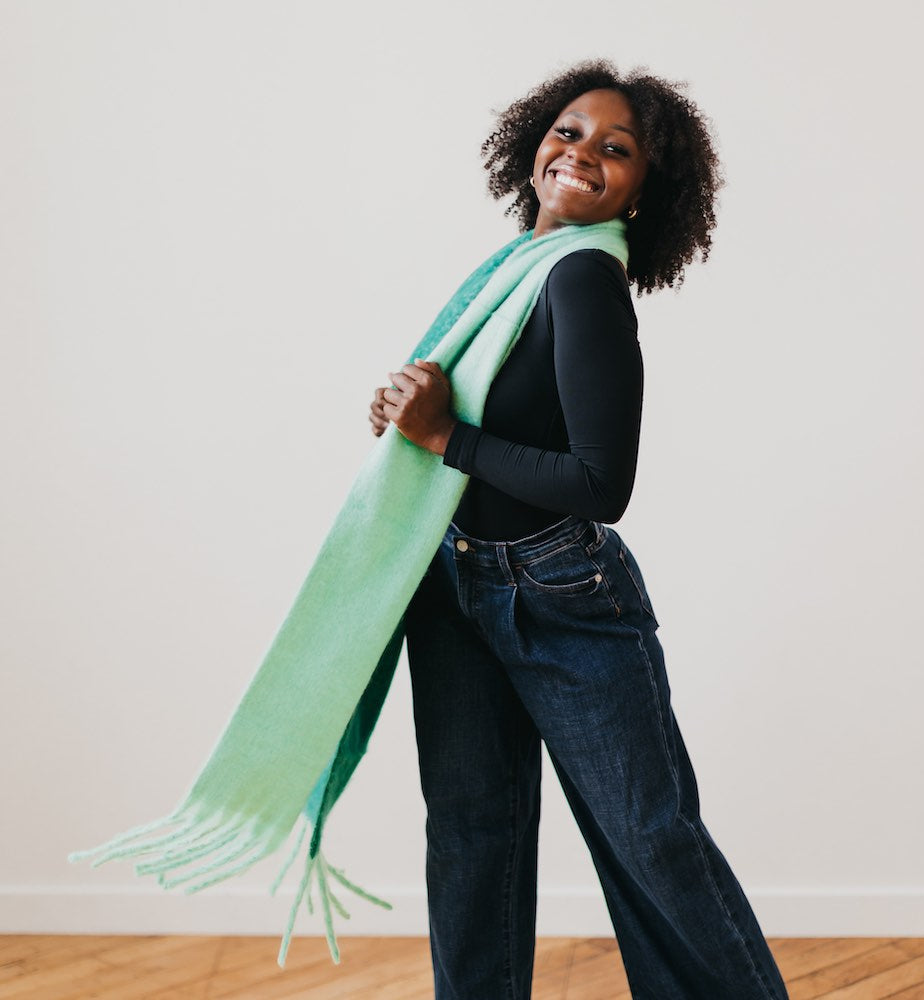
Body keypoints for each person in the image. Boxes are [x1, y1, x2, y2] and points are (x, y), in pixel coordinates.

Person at [369, 59, 790, 1000]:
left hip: (559, 590)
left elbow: (601, 485)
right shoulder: (514, 274)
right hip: (453, 580)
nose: (582, 153)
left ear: (643, 193)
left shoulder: (585, 279)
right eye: (569, 131)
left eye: (617, 148)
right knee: (470, 832)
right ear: (533, 144)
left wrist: (445, 436)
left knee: (649, 835)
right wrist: (413, 422)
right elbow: (484, 428)